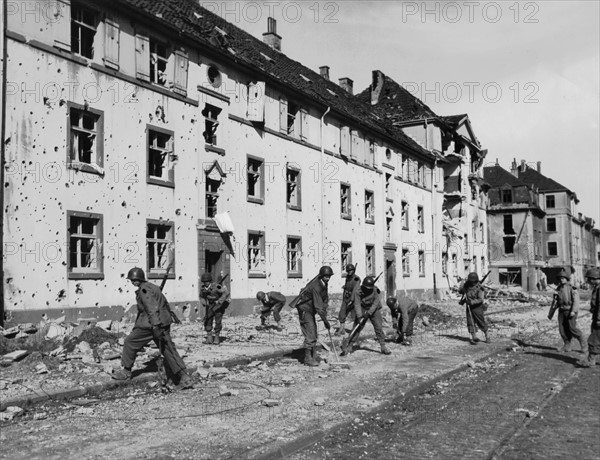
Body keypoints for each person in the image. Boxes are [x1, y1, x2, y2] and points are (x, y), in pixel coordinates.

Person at [113, 267, 193, 390]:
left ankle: (126, 372)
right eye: (131, 280)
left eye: (134, 280)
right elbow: (163, 303)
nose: (132, 282)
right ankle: (184, 378)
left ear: (139, 279)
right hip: (163, 322)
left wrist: (156, 326)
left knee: (130, 342)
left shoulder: (144, 290)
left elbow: (151, 308)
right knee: (168, 349)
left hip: (151, 324)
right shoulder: (152, 287)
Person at [295, 266, 332, 366]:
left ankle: (312, 354)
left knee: (314, 332)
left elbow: (324, 300)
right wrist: (325, 321)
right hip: (305, 310)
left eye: (329, 276)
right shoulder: (315, 286)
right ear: (321, 276)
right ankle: (307, 359)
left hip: (310, 310)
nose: (328, 278)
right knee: (310, 333)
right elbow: (318, 306)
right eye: (326, 276)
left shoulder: (323, 283)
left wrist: (325, 310)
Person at [351, 276, 391, 355]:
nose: (368, 290)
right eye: (366, 288)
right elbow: (357, 304)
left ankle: (383, 346)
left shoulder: (375, 290)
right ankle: (349, 345)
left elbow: (376, 302)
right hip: (363, 307)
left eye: (369, 289)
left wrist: (369, 313)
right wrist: (359, 316)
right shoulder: (358, 291)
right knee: (357, 327)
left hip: (373, 309)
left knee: (378, 327)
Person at [552, 269, 585, 352]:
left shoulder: (572, 288)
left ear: (567, 279)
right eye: (560, 278)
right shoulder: (558, 288)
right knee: (562, 329)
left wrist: (573, 311)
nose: (561, 280)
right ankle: (567, 345)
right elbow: (555, 301)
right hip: (561, 311)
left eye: (563, 278)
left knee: (572, 328)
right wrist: (552, 311)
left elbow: (576, 301)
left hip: (570, 310)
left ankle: (583, 343)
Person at [459, 272, 490, 345]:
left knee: (480, 322)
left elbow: (480, 299)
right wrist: (462, 290)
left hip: (477, 307)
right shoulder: (467, 285)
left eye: (474, 281)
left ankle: (487, 336)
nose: (472, 283)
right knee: (470, 322)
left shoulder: (480, 288)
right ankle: (474, 337)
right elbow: (460, 291)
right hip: (469, 306)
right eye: (471, 281)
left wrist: (471, 302)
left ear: (476, 280)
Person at [200, 273, 230, 345]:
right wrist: (204, 303)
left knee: (218, 321)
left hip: (218, 306)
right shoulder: (203, 288)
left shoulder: (217, 286)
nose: (205, 283)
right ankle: (209, 338)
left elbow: (226, 293)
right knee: (207, 320)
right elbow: (201, 296)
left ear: (210, 281)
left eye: (207, 282)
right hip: (210, 305)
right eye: (204, 282)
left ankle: (216, 338)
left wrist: (219, 301)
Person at [580, 268, 600, 367]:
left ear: (594, 278)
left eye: (589, 279)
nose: (588, 281)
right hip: (597, 315)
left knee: (594, 339)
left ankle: (591, 361)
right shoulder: (597, 288)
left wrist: (599, 319)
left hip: (599, 318)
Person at [335, 264, 361, 336]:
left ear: (354, 270)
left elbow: (355, 290)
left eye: (351, 270)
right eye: (348, 271)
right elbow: (348, 286)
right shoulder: (348, 278)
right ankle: (342, 329)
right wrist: (345, 287)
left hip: (353, 299)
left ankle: (355, 331)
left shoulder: (356, 279)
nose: (349, 272)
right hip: (346, 298)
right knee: (342, 313)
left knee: (354, 316)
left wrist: (351, 300)